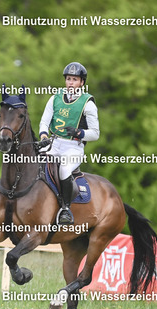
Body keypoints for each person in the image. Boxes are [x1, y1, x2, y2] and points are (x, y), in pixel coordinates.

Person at [38, 61, 100, 224]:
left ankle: (65, 209)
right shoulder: (55, 98)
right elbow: (44, 122)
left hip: (73, 148)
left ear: (82, 82)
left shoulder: (88, 104)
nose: (70, 83)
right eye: (68, 79)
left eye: (74, 79)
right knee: (33, 161)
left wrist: (79, 133)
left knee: (64, 170)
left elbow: (95, 134)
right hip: (54, 143)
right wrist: (44, 136)